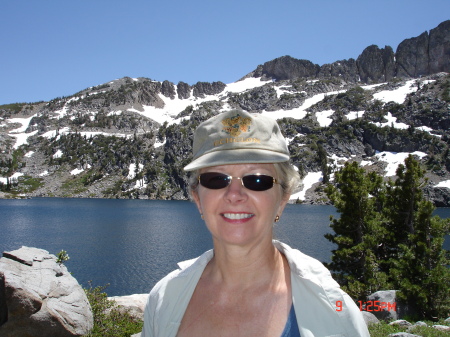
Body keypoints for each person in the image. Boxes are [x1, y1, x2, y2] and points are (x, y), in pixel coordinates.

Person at [141, 109, 369, 337]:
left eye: (257, 180)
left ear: (282, 199)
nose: (234, 194)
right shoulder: (163, 298)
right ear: (198, 199)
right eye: (216, 179)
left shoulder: (333, 310)